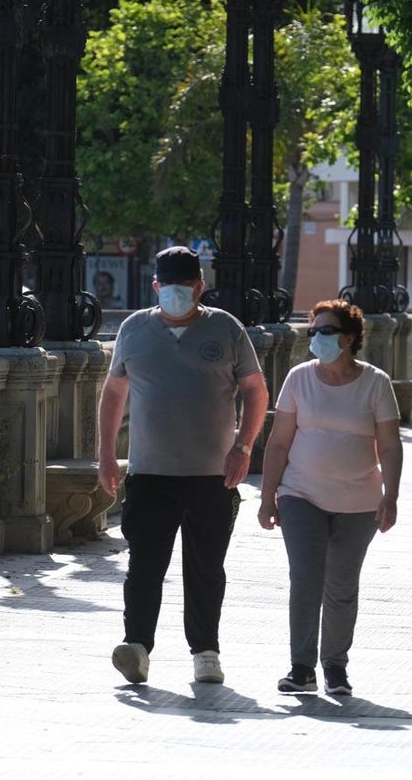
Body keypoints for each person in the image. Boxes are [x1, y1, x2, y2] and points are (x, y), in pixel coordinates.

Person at [98, 245, 269, 686]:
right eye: (168, 287)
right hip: (150, 474)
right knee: (144, 565)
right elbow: (114, 394)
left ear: (200, 287)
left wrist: (244, 447)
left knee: (206, 567)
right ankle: (136, 646)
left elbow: (255, 391)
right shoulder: (134, 330)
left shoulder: (226, 329)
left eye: (186, 287)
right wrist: (104, 455)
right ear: (156, 287)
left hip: (213, 475)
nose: (177, 294)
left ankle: (205, 652)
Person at [257, 299, 403, 696]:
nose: (317, 338)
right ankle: (301, 667)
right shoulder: (298, 379)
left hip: (360, 501)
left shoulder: (375, 383)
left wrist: (391, 495)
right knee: (305, 578)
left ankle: (335, 668)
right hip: (300, 493)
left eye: (327, 331)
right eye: (313, 331)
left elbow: (389, 446)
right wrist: (268, 496)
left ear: (350, 337)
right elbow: (279, 442)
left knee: (341, 584)